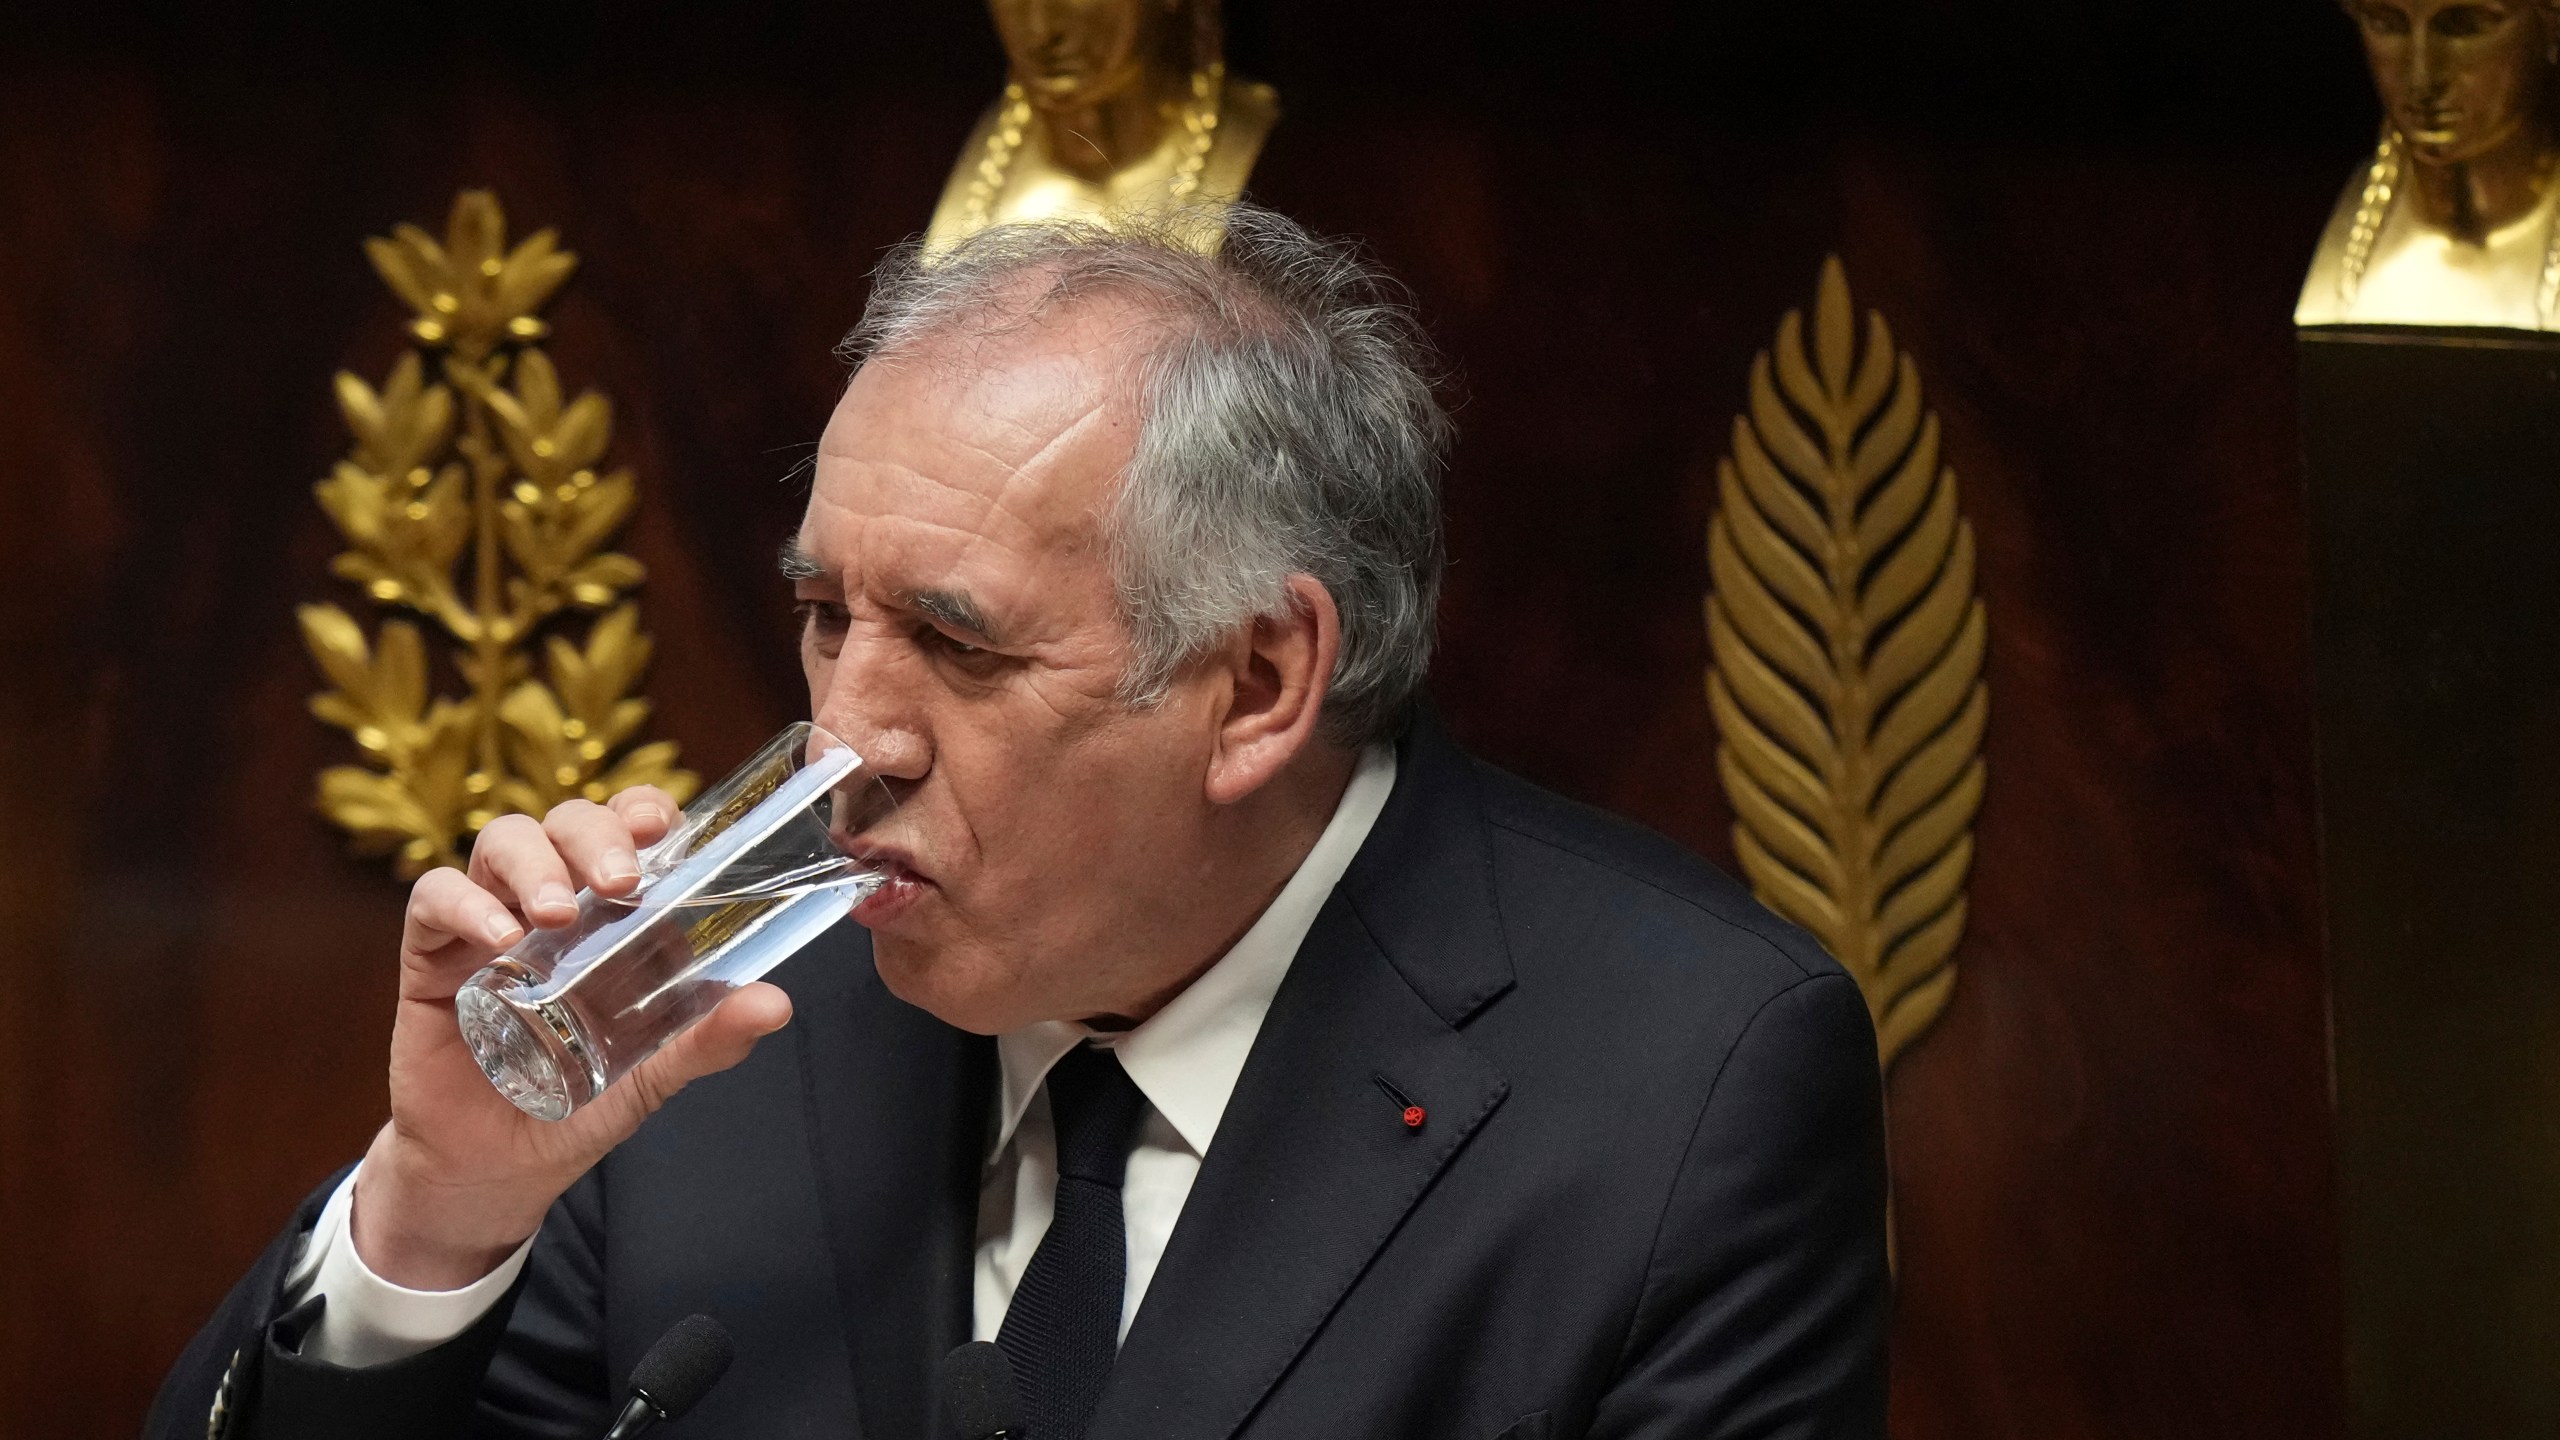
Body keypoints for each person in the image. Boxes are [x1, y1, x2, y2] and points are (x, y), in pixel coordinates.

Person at [151, 204, 1889, 1440]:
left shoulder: (1691, 1083)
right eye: (829, 616)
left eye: (960, 643)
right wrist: (436, 1221)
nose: (849, 734)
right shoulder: (710, 1017)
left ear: (1263, 680)